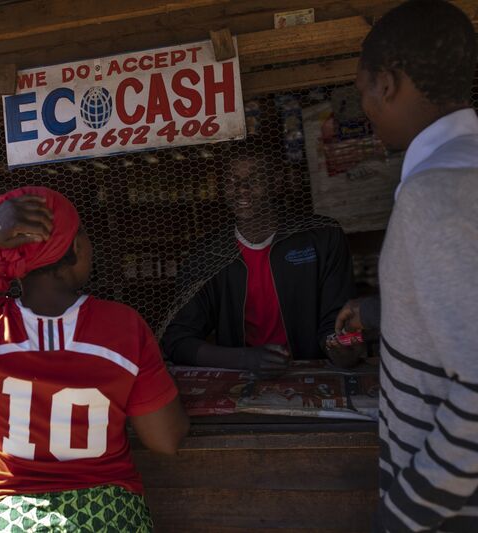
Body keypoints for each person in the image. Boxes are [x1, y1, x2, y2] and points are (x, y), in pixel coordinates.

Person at [0, 186, 188, 532]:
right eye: (85, 236)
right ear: (76, 247)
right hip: (106, 516)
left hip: (7, 519)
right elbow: (164, 441)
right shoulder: (122, 328)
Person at [333, 1, 478, 530]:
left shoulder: (434, 195)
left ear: (388, 82)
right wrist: (384, 310)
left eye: (362, 89)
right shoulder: (464, 173)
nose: (364, 106)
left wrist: (401, 517)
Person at [161, 152, 355, 372]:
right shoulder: (209, 255)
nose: (242, 190)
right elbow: (177, 340)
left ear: (276, 183)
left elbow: (338, 321)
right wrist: (243, 359)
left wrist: (340, 347)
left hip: (310, 371)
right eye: (231, 181)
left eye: (254, 180)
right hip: (242, 378)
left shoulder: (322, 236)